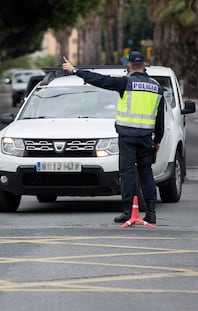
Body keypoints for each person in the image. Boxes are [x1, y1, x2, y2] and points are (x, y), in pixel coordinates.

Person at [62, 51, 164, 224]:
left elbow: (99, 80)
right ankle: (151, 212)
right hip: (146, 138)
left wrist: (75, 70)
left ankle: (127, 211)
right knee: (146, 173)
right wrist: (158, 140)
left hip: (127, 137)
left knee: (127, 173)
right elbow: (160, 118)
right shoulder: (157, 87)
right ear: (145, 64)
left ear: (130, 65)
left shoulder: (125, 82)